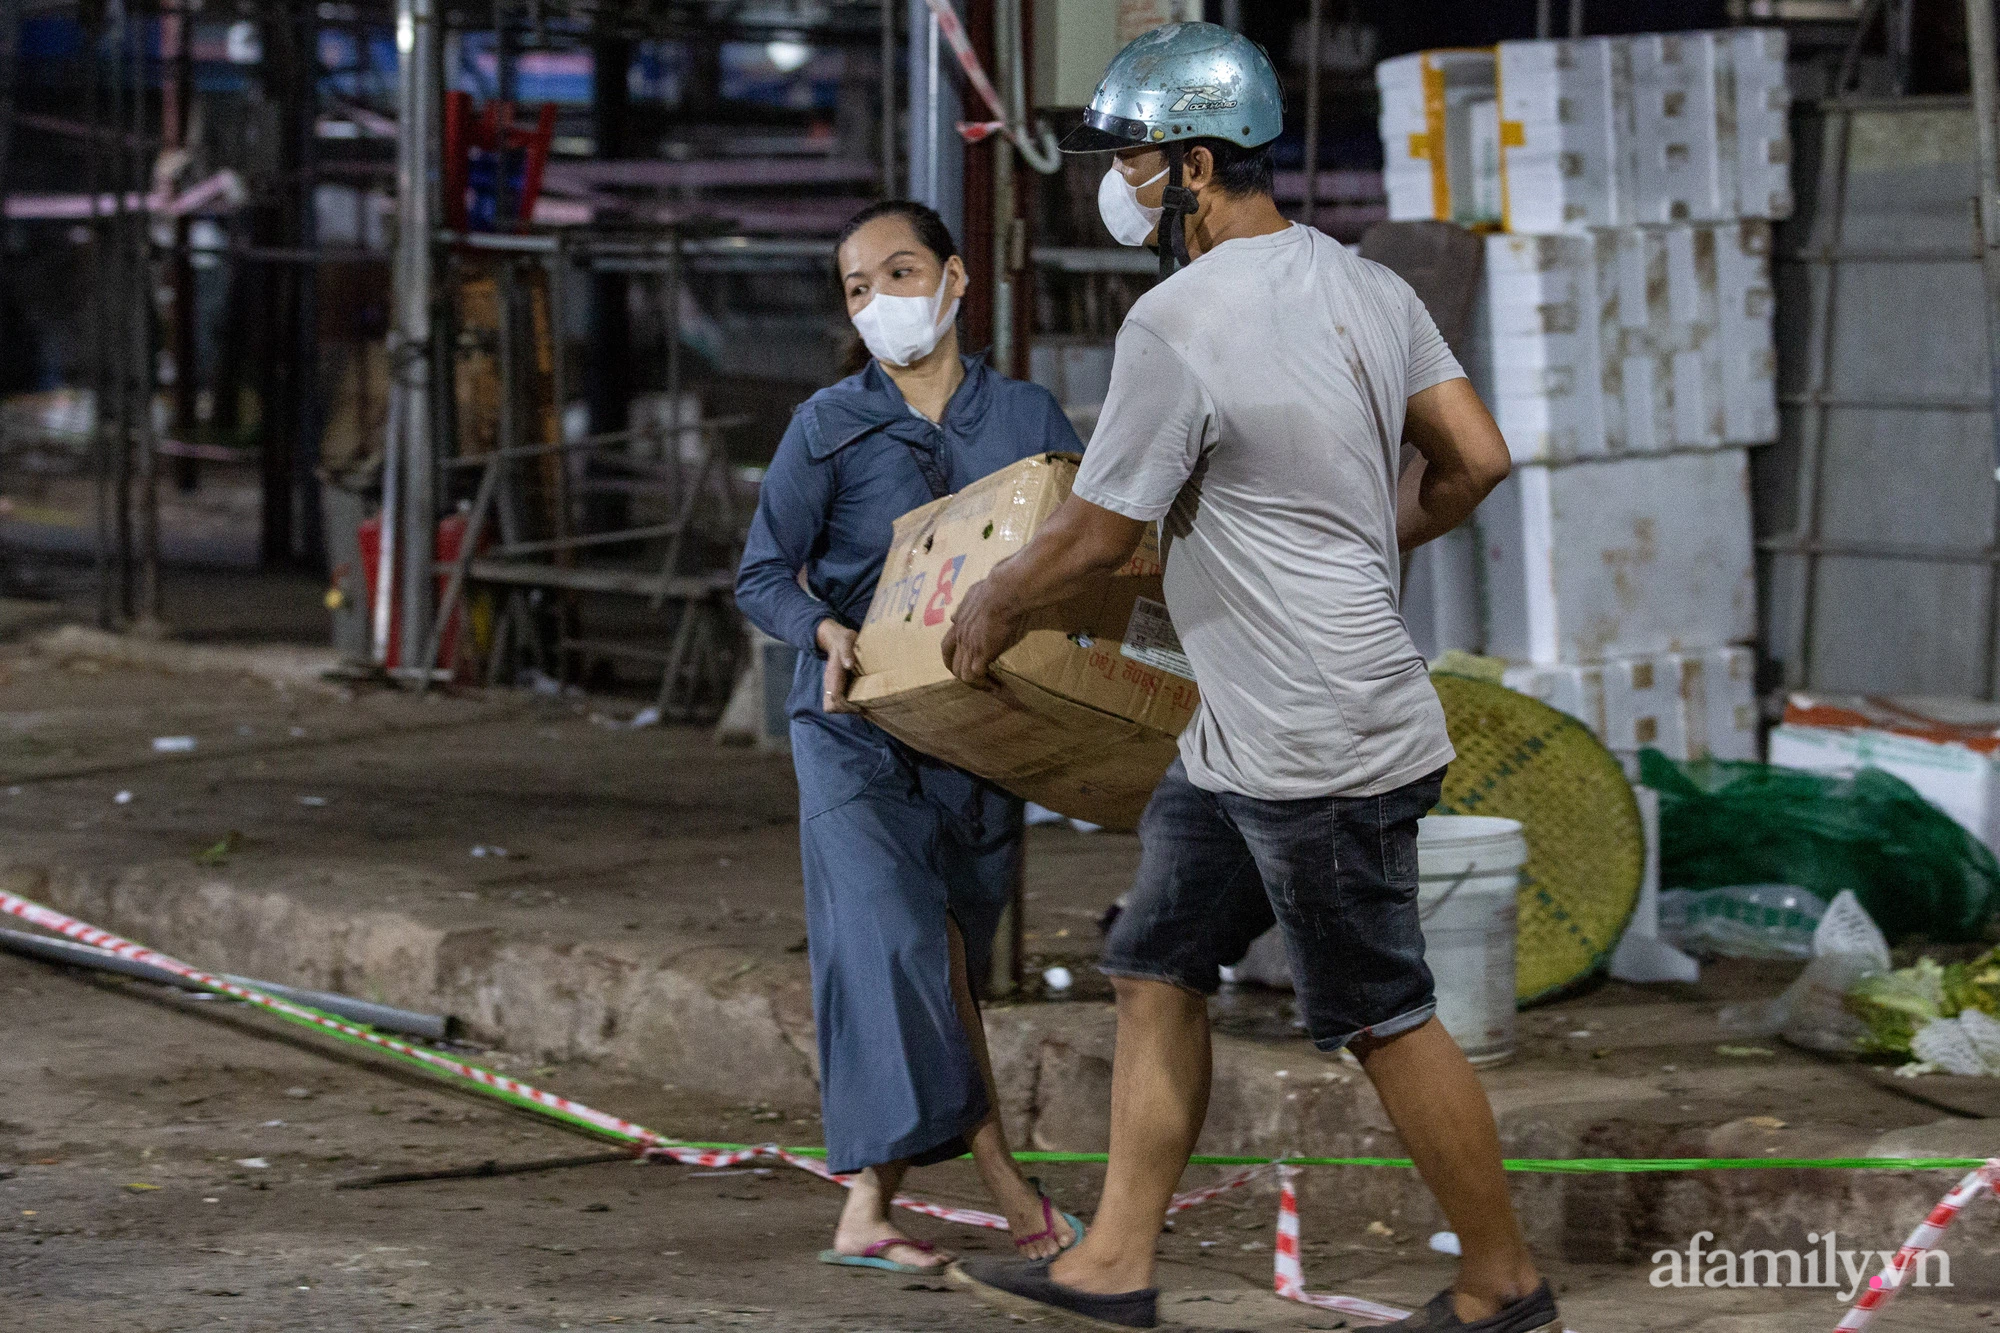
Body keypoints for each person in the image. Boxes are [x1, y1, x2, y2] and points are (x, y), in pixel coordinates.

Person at [941, 23, 1557, 1333]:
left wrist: (995, 596)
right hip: (1250, 734)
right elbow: (1478, 457)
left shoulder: (1179, 317)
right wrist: (1365, 540)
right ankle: (1112, 1261)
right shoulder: (1368, 287)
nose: (1120, 184)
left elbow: (1101, 532)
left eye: (1134, 160)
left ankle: (1503, 1283)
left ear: (1198, 165)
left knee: (1383, 1014)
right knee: (1156, 958)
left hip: (1319, 741)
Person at [735, 200, 1087, 1277]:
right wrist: (822, 627)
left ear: (954, 277)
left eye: (897, 272)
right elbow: (760, 574)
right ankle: (1004, 1186)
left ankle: (864, 1215)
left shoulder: (1026, 416)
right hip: (853, 726)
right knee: (896, 940)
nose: (878, 300)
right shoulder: (826, 425)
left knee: (948, 958)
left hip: (984, 731)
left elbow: (1090, 543)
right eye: (856, 287)